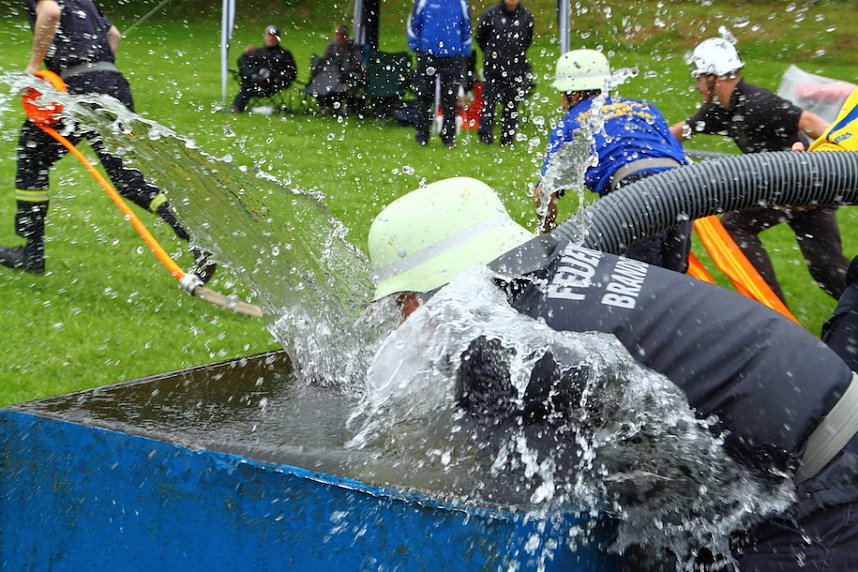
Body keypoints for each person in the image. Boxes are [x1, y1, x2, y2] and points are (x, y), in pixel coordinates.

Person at [367, 177, 858, 570]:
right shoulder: (556, 272)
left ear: (434, 292)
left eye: (401, 301)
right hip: (818, 434)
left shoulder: (497, 350)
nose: (401, 320)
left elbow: (508, 501)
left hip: (820, 491)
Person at [1, 0, 214, 282]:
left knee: (32, 158)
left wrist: (32, 67)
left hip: (74, 89)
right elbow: (114, 35)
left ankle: (32, 252)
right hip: (112, 84)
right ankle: (198, 239)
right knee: (127, 178)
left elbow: (50, 12)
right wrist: (95, 71)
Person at [669, 37, 848, 305]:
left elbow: (812, 122)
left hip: (810, 189)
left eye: (699, 78)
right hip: (781, 191)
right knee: (736, 226)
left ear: (714, 78)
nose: (696, 85)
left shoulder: (759, 103)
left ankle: (774, 308)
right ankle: (774, 308)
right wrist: (649, 144)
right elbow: (680, 131)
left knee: (828, 272)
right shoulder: (721, 111)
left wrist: (839, 164)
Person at [533, 50, 691, 273]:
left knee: (637, 280)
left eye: (563, 94)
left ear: (574, 94)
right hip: (683, 186)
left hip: (635, 189)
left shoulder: (570, 123)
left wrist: (546, 235)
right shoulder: (645, 108)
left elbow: (544, 194)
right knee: (676, 280)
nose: (561, 103)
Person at [406, 0, 472, 148]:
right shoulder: (423, 1)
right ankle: (422, 135)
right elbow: (414, 23)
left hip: (453, 55)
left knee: (450, 98)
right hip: (428, 53)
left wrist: (464, 50)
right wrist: (417, 46)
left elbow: (466, 26)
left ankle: (448, 137)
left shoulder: (460, 2)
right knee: (424, 95)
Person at [475, 0, 534, 146]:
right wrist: (492, 54)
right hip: (493, 68)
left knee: (512, 104)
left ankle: (508, 137)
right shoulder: (490, 14)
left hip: (516, 68)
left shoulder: (526, 16)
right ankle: (485, 136)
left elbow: (527, 39)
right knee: (489, 103)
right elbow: (481, 37)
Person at [229, 25, 297, 114]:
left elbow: (292, 72)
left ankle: (237, 107)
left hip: (274, 85)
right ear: (264, 36)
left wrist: (279, 78)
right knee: (248, 85)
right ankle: (237, 108)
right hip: (255, 83)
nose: (271, 38)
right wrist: (245, 56)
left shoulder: (284, 54)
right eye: (269, 35)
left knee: (249, 85)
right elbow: (243, 64)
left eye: (274, 36)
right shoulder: (257, 52)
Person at [306, 25, 364, 114]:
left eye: (342, 34)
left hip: (349, 75)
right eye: (337, 34)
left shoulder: (353, 48)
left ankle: (349, 106)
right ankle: (327, 104)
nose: (339, 37)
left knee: (350, 83)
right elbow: (326, 63)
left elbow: (356, 65)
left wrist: (344, 76)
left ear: (346, 35)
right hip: (333, 75)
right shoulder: (331, 47)